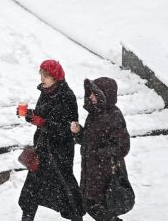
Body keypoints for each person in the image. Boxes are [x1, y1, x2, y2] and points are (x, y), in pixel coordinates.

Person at [18, 60, 85, 221]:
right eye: (41, 74)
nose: (42, 78)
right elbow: (43, 114)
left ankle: (76, 217)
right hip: (42, 149)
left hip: (59, 151)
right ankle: (26, 218)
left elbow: (69, 128)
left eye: (46, 75)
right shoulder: (45, 91)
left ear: (55, 77)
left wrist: (43, 123)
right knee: (31, 189)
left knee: (65, 187)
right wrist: (30, 115)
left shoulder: (66, 96)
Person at [70, 78, 132, 221]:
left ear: (104, 94)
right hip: (91, 171)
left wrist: (98, 154)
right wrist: (78, 132)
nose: (90, 96)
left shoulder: (113, 115)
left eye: (94, 93)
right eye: (90, 93)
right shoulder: (94, 114)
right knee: (91, 204)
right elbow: (89, 141)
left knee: (95, 205)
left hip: (104, 173)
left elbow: (123, 147)